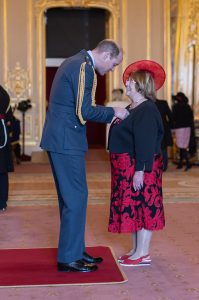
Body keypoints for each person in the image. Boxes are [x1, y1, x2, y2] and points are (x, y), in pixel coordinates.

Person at [40, 39, 129, 273]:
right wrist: (114, 112)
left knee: (72, 199)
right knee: (76, 199)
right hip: (66, 141)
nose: (112, 70)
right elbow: (85, 110)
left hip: (63, 139)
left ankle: (75, 251)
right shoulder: (83, 67)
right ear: (107, 55)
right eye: (114, 64)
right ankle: (69, 258)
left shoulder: (77, 63)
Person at [108, 60, 165, 267]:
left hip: (140, 167)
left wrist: (140, 171)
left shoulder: (147, 109)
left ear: (140, 85)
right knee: (134, 207)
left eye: (131, 81)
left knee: (143, 207)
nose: (127, 84)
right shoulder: (132, 107)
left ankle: (143, 253)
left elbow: (145, 143)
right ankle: (135, 250)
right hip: (128, 167)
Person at [0, 85, 14, 212]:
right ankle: (2, 202)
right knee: (2, 169)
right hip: (2, 132)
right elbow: (9, 117)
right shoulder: (4, 94)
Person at [172, 92, 194, 171]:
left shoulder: (175, 107)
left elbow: (173, 118)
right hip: (187, 128)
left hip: (179, 128)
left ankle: (188, 163)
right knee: (183, 146)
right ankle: (181, 163)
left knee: (181, 146)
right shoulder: (188, 106)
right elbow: (191, 117)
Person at [155, 98, 173, 171]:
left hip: (152, 128)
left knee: (156, 148)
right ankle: (164, 166)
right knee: (163, 148)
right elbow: (170, 116)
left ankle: (156, 165)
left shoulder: (147, 104)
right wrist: (169, 126)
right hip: (163, 127)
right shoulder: (163, 103)